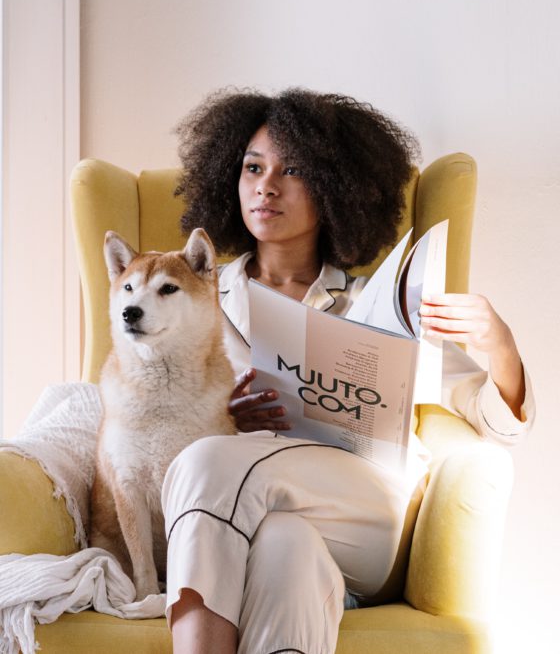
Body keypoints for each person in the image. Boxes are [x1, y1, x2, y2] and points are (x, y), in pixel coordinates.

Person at [164, 88, 534, 654]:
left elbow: (500, 423)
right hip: (258, 517)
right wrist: (219, 414)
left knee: (207, 460)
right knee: (287, 550)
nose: (266, 185)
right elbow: (144, 418)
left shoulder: (378, 303)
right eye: (253, 168)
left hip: (365, 517)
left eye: (293, 171)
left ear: (335, 189)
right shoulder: (191, 298)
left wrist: (499, 343)